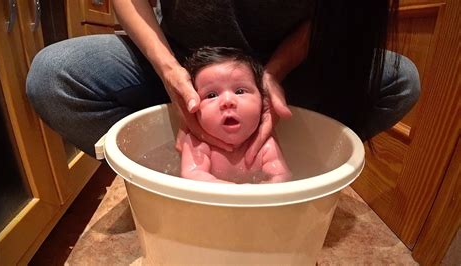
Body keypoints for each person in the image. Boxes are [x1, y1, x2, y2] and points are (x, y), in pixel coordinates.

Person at [26, 0, 420, 166]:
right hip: (178, 56)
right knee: (54, 76)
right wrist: (170, 72)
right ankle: (168, 183)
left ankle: (300, 178)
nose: (228, 103)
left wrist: (273, 75)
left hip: (286, 69)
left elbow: (335, 16)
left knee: (399, 79)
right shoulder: (175, 71)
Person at [180, 47, 292, 184]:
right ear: (193, 107)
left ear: (263, 102)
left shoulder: (265, 144)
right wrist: (232, 191)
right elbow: (192, 174)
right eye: (211, 95)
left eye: (240, 91)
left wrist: (268, 186)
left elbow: (282, 176)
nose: (227, 101)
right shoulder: (197, 142)